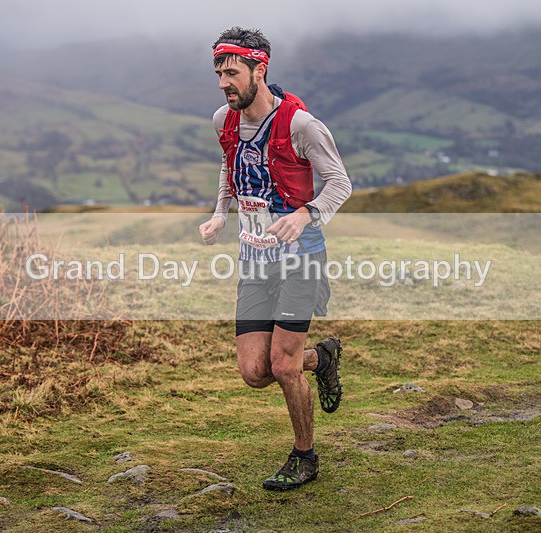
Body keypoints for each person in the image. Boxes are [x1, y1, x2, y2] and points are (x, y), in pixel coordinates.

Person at [198, 27, 352, 491]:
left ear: (259, 69)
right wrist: (218, 215)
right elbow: (230, 167)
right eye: (218, 73)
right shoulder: (223, 119)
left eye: (232, 73)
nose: (224, 82)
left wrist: (306, 215)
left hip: (300, 258)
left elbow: (340, 183)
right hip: (254, 260)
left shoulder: (302, 125)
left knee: (284, 366)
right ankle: (322, 359)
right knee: (255, 371)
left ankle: (304, 457)